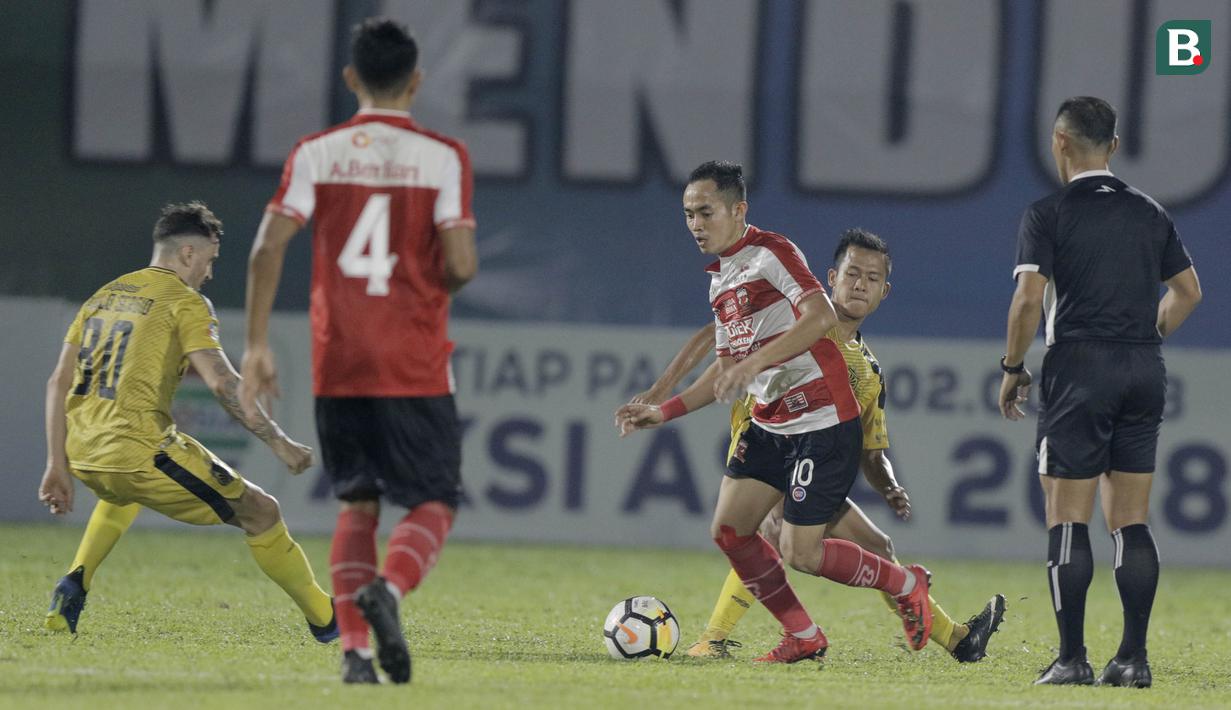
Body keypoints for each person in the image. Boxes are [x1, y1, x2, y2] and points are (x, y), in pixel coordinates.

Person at [629, 229, 1005, 662]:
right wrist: (661, 391)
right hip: (765, 441)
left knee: (877, 547)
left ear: (885, 290)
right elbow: (711, 338)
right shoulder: (792, 317)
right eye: (852, 273)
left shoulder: (867, 371)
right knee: (765, 532)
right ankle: (715, 638)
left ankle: (958, 639)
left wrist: (889, 487)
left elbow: (871, 447)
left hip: (814, 453)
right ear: (831, 277)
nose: (860, 284)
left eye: (872, 277)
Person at [238, 18, 477, 685]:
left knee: (356, 504)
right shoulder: (442, 156)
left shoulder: (317, 151)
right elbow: (458, 264)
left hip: (337, 357)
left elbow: (266, 248)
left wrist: (256, 345)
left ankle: (352, 654)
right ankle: (389, 592)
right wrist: (446, 270)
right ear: (417, 81)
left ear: (351, 79)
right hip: (412, 357)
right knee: (434, 500)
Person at [617, 161, 932, 664]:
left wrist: (756, 362)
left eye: (706, 212)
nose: (696, 224)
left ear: (738, 210)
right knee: (729, 530)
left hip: (824, 419)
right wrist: (663, 411)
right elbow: (725, 373)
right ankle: (804, 636)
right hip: (770, 422)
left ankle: (905, 583)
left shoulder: (772, 253)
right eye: (688, 214)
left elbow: (820, 315)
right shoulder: (721, 282)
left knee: (801, 552)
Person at [38, 202, 336, 648]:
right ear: (189, 255)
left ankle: (73, 584)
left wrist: (56, 464)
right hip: (137, 452)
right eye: (211, 260)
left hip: (83, 452)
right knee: (263, 512)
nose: (210, 273)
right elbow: (221, 382)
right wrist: (279, 442)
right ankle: (328, 618)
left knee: (124, 495)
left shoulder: (104, 296)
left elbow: (58, 380)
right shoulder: (185, 302)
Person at [999, 97, 1201, 687]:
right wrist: (1145, 335)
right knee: (1131, 518)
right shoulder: (1151, 213)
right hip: (1144, 367)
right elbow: (1188, 292)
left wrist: (1012, 366)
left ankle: (1071, 660)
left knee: (1067, 516)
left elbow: (1028, 299)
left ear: (1059, 142)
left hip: (1079, 367)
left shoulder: (1048, 212)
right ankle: (1133, 659)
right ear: (1113, 146)